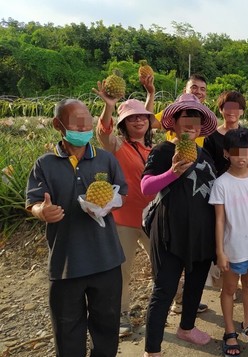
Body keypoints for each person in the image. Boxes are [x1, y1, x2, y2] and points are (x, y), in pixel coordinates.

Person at [26, 99, 127, 356]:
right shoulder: (45, 164)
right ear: (58, 125)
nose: (84, 127)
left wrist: (109, 204)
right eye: (76, 122)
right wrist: (42, 211)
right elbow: (34, 202)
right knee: (67, 332)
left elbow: (122, 192)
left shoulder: (105, 159)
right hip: (66, 264)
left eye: (87, 121)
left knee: (106, 328)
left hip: (106, 259)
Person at [141, 93, 218, 357]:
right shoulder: (163, 150)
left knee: (196, 284)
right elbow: (145, 187)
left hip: (202, 233)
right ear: (173, 121)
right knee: (164, 290)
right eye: (186, 116)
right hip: (169, 233)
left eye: (196, 118)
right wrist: (172, 172)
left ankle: (187, 327)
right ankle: (152, 349)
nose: (191, 123)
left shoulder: (205, 153)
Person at [94, 81, 156, 337]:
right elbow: (103, 133)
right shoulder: (117, 145)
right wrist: (109, 107)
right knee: (123, 270)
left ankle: (177, 300)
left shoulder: (153, 148)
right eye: (132, 119)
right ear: (123, 124)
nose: (139, 121)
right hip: (124, 219)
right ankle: (122, 314)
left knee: (164, 264)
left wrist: (150, 94)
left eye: (143, 117)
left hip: (152, 217)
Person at [147, 73, 212, 315]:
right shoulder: (167, 143)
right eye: (194, 87)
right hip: (171, 195)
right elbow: (148, 121)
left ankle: (186, 304)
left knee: (193, 260)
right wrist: (151, 94)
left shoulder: (202, 123)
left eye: (202, 88)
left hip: (196, 194)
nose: (198, 91)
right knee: (169, 262)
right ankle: (174, 299)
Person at [209, 128, 248, 356]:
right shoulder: (222, 184)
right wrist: (220, 251)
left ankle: (247, 325)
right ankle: (229, 331)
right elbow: (219, 220)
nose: (242, 157)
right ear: (226, 153)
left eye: (247, 151)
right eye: (236, 152)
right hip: (233, 248)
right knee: (228, 289)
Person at [204, 91, 247, 176]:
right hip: (217, 184)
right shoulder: (211, 138)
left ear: (242, 111)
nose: (231, 111)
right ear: (220, 109)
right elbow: (207, 166)